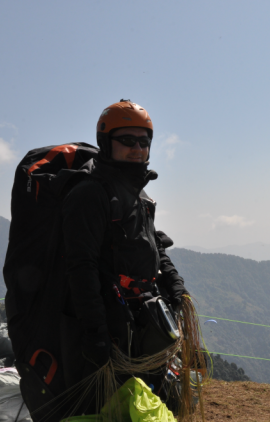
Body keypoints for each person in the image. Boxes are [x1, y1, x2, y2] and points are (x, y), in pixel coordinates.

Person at [58, 99, 189, 408]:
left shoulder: (138, 195)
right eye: (127, 140)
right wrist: (96, 334)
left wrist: (175, 285)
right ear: (107, 143)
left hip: (142, 323)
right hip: (112, 328)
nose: (137, 148)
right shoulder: (91, 194)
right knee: (113, 406)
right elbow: (81, 266)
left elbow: (153, 246)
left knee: (147, 401)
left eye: (144, 142)